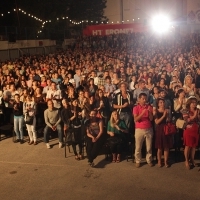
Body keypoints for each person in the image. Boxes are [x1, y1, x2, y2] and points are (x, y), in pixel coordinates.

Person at [133, 93, 154, 168]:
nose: (145, 100)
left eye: (145, 99)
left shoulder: (149, 107)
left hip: (148, 128)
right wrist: (142, 113)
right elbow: (136, 119)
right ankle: (138, 160)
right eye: (143, 99)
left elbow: (151, 119)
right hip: (139, 129)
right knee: (138, 147)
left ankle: (149, 160)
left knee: (149, 147)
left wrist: (149, 112)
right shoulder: (136, 108)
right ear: (139, 99)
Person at [182, 96, 200, 170]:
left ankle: (192, 159)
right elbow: (187, 120)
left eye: (195, 102)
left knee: (194, 146)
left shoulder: (197, 110)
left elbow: (198, 120)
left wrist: (198, 114)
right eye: (192, 102)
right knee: (188, 146)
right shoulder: (185, 110)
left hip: (196, 129)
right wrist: (195, 114)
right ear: (189, 103)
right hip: (188, 130)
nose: (194, 104)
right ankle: (186, 161)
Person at [154, 98, 173, 168]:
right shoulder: (156, 111)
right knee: (159, 147)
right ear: (158, 104)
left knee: (166, 146)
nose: (162, 104)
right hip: (159, 129)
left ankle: (166, 161)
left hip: (166, 129)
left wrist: (167, 116)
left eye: (163, 102)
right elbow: (157, 122)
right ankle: (159, 161)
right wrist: (163, 116)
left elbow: (169, 120)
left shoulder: (167, 110)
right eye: (161, 102)